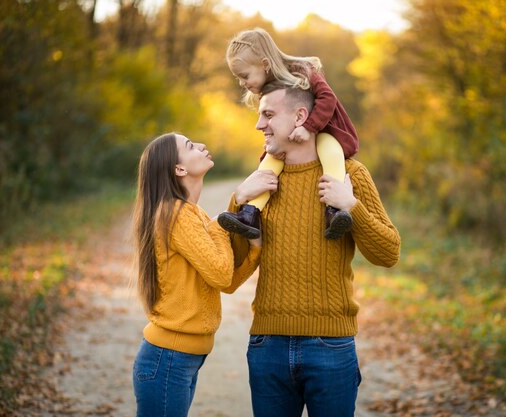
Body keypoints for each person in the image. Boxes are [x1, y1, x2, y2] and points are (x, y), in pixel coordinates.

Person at [226, 81, 401, 417]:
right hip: (268, 345)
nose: (258, 124)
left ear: (300, 117)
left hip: (331, 346)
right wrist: (239, 198)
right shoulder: (260, 183)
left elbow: (388, 253)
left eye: (268, 114)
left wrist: (350, 205)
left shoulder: (349, 174)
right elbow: (232, 269)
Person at [130, 132, 266, 417]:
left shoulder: (193, 214)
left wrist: (255, 251)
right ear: (179, 169)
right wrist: (221, 225)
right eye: (190, 146)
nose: (203, 145)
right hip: (168, 358)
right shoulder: (176, 214)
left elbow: (225, 282)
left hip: (181, 358)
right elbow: (219, 272)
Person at [218, 27, 360, 240]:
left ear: (265, 64)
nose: (242, 83)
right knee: (270, 160)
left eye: (244, 76)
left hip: (324, 130)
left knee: (330, 149)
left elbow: (327, 98)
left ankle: (334, 210)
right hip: (297, 140)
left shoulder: (302, 71)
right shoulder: (270, 87)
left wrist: (308, 126)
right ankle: (250, 214)